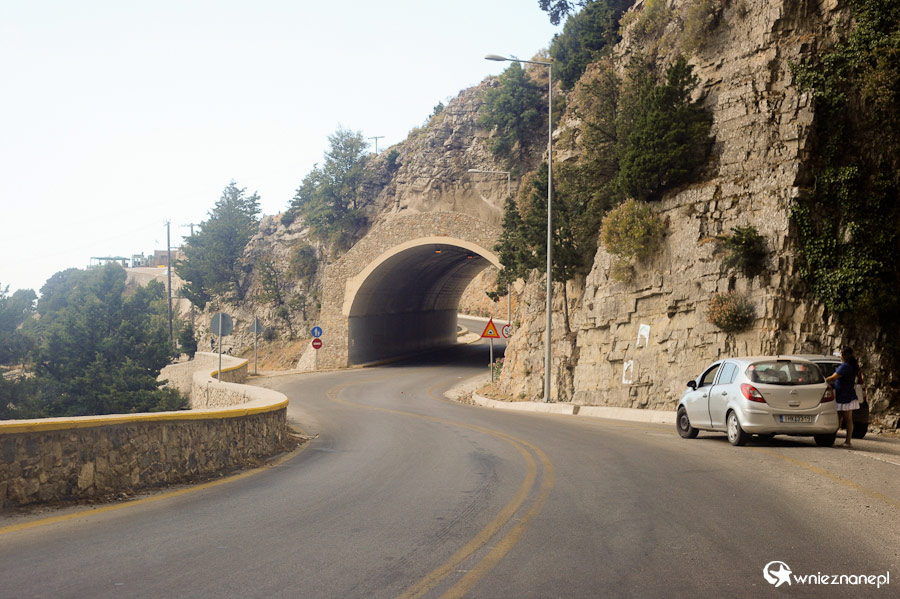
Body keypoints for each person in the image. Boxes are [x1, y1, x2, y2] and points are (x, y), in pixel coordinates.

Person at [825, 346, 859, 447]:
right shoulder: (851, 366)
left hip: (845, 396)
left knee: (846, 418)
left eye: (840, 353)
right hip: (846, 394)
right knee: (842, 418)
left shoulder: (845, 366)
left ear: (843, 355)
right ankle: (839, 440)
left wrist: (822, 380)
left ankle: (847, 441)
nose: (839, 355)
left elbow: (833, 377)